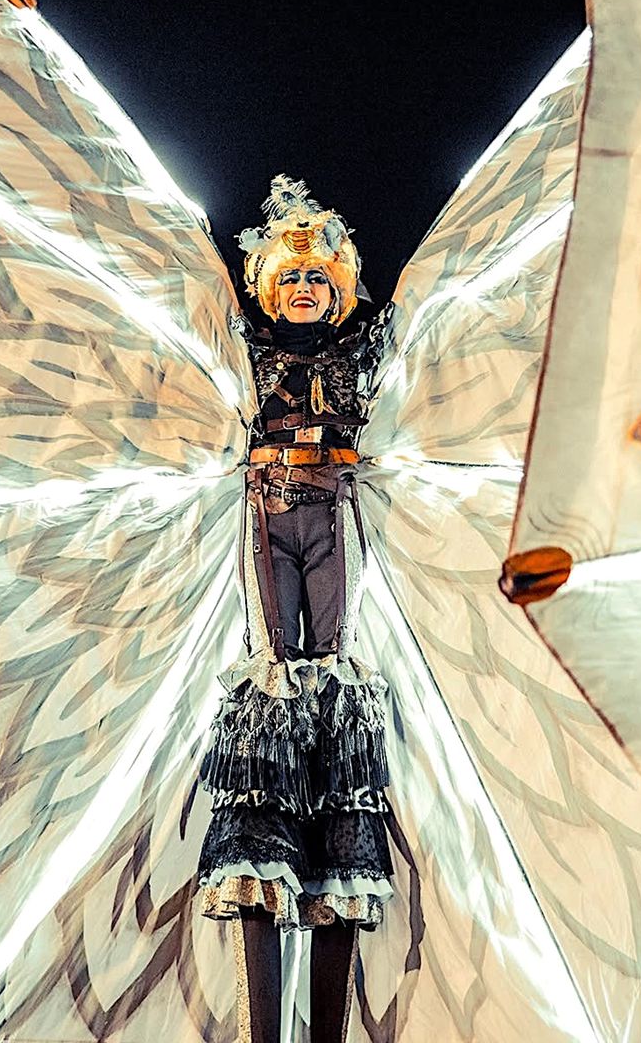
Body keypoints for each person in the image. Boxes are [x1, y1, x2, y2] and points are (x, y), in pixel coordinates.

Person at [194, 177, 395, 1043]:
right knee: (274, 679)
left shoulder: (362, 354)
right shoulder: (248, 357)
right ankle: (263, 1026)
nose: (305, 292)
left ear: (339, 287)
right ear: (268, 289)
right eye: (289, 280)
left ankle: (327, 1024)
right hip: (266, 512)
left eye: (317, 281)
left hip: (334, 515)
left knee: (335, 675)